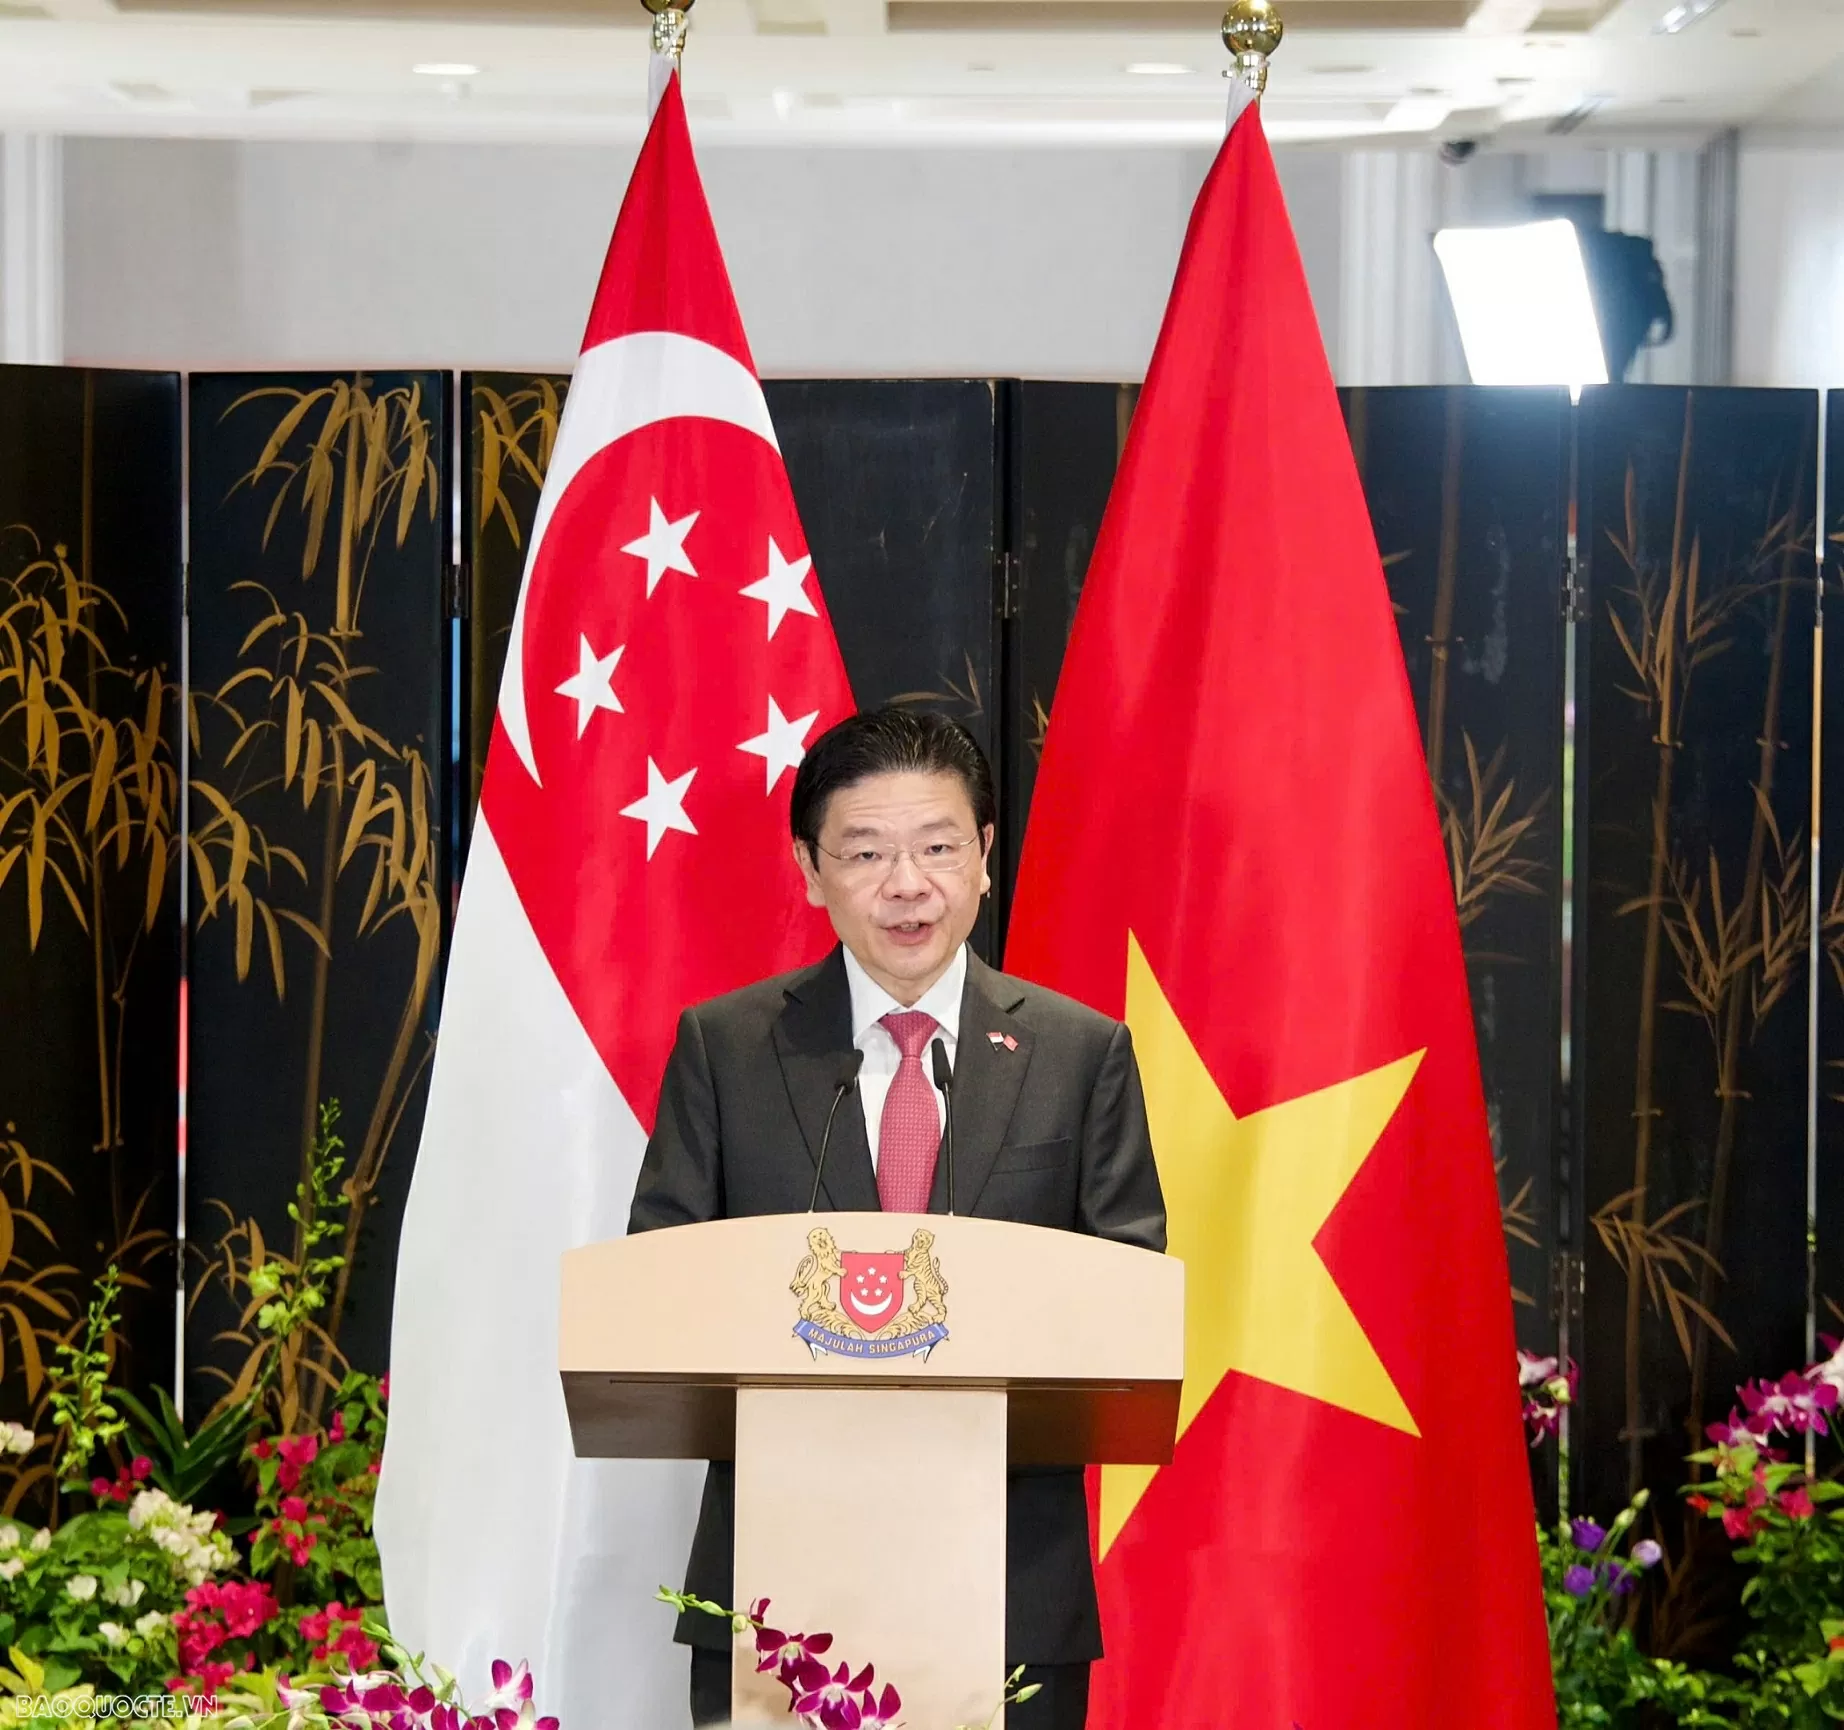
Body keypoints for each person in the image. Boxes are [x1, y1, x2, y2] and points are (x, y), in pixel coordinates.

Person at [628, 706, 1166, 1730]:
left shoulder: (1075, 1053)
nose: (905, 883)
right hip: (776, 1575)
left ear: (984, 859)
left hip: (1009, 1576)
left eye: (936, 846)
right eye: (865, 851)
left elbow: (1128, 1297)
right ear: (809, 867)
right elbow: (661, 1287)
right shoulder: (727, 1048)